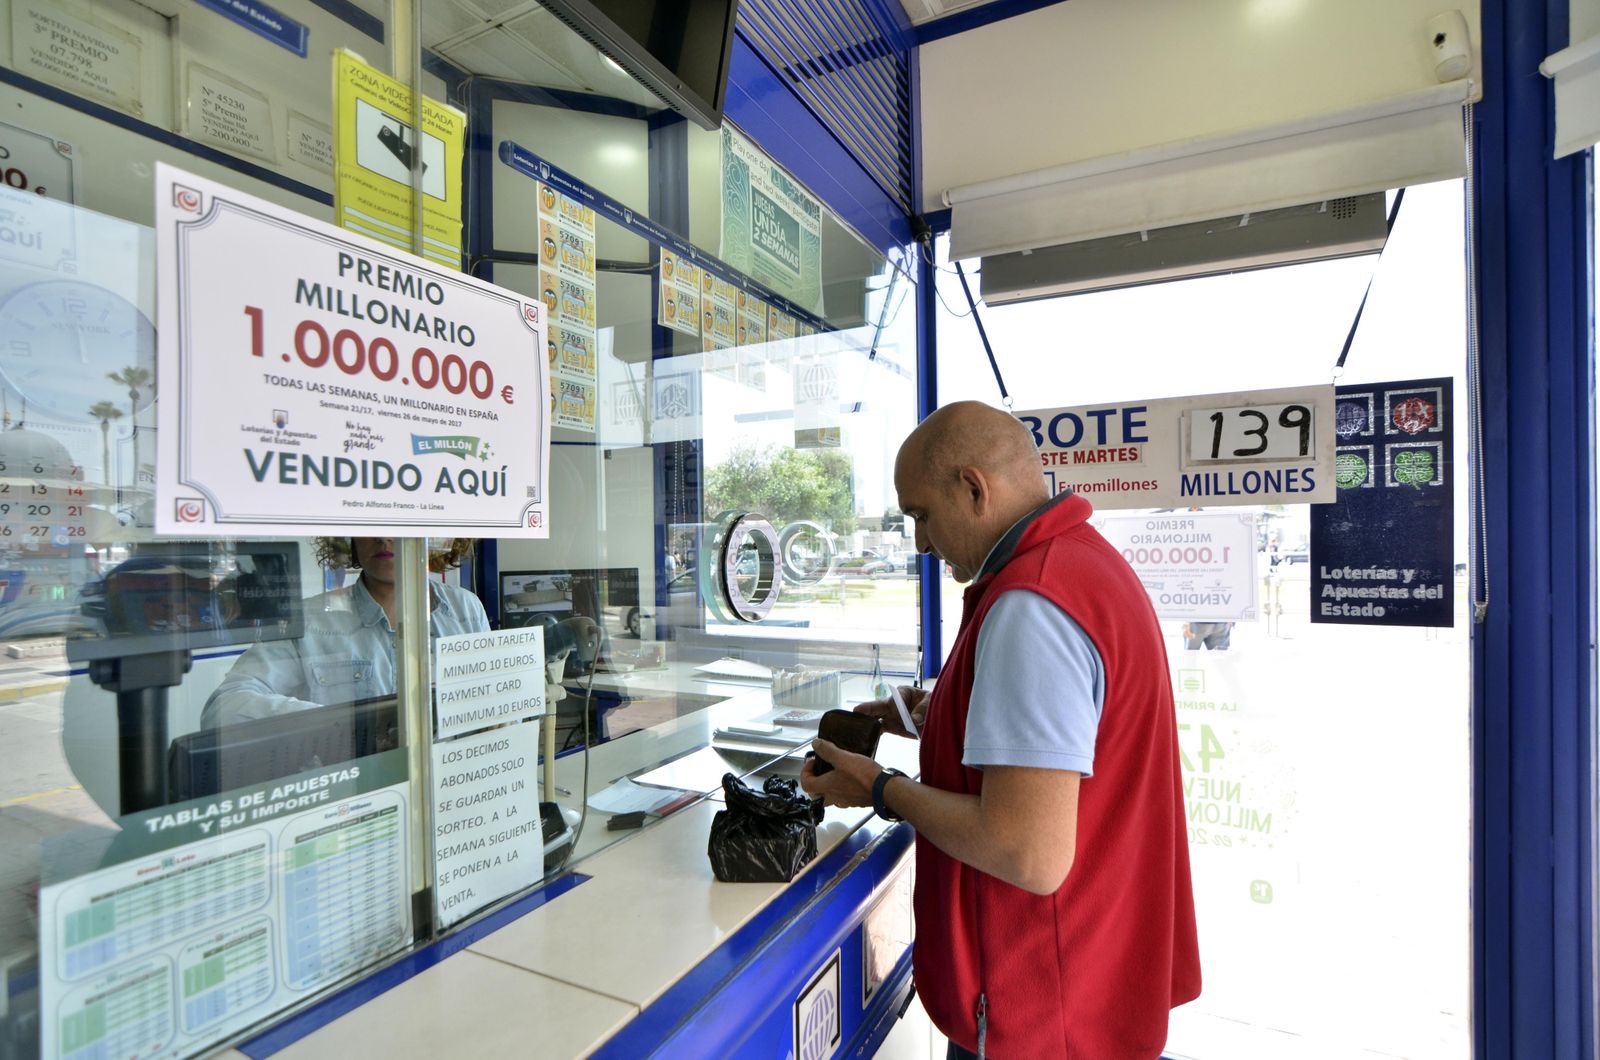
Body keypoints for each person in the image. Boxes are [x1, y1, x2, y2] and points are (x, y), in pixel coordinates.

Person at [801, 401, 1200, 1058]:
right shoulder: (1082, 567)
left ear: (974, 489)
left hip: (1044, 1009)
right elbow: (1071, 733)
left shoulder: (1031, 605)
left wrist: (879, 788)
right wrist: (933, 713)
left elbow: (1026, 853)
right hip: (1094, 983)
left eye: (922, 516)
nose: (922, 545)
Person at [201, 537, 489, 727]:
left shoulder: (464, 607)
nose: (384, 537)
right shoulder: (308, 620)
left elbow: (490, 700)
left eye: (400, 522)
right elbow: (223, 708)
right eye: (369, 522)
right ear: (350, 539)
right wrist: (340, 727)